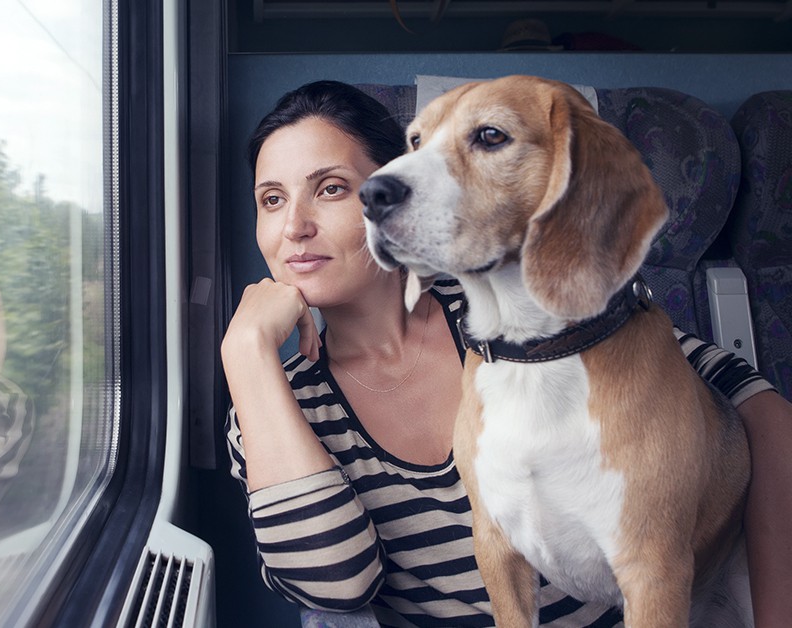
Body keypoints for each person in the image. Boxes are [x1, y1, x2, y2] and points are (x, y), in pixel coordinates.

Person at [220, 79, 792, 627]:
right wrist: (246, 352)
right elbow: (336, 584)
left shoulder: (509, 299)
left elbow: (747, 400)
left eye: (332, 188)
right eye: (271, 200)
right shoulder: (271, 403)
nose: (293, 226)